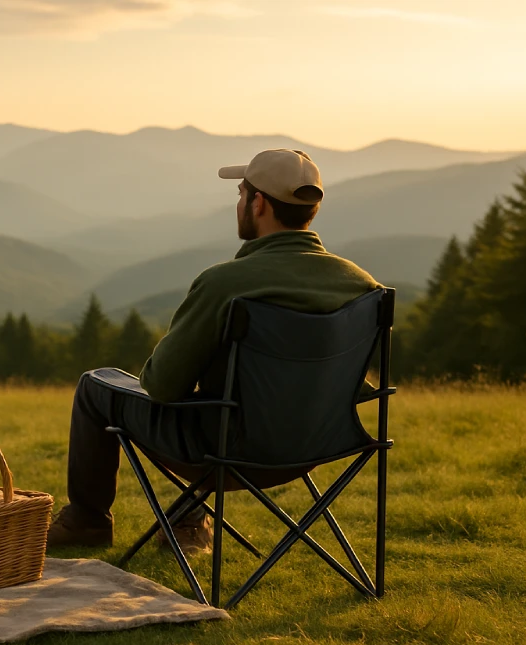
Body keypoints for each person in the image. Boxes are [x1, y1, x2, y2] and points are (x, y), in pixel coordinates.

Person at [47, 149, 380, 554]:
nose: (239, 203)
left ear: (258, 203)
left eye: (241, 194)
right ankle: (187, 515)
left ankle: (87, 522)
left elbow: (163, 386)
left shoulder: (226, 283)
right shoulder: (362, 285)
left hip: (224, 452)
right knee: (217, 401)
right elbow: (356, 384)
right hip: (316, 448)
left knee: (96, 385)